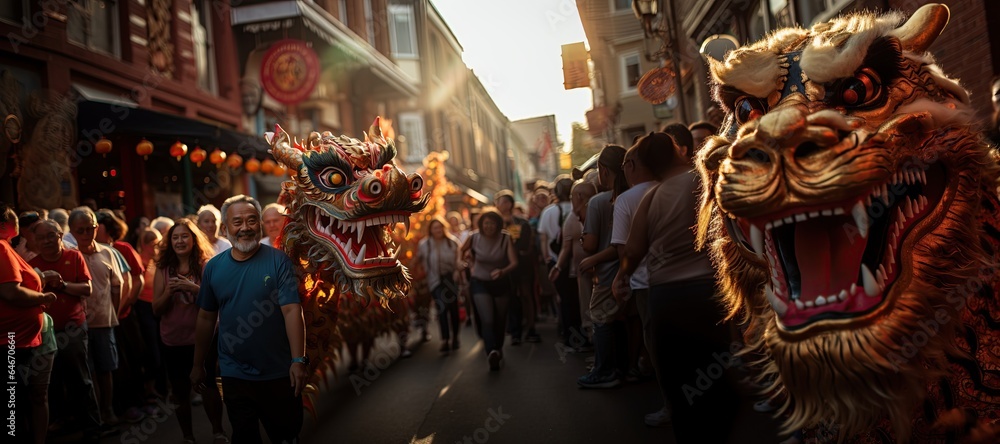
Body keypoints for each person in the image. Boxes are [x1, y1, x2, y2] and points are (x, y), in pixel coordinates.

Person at [621, 135, 740, 443]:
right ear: (676, 151)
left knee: (677, 379)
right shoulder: (704, 179)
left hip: (666, 300)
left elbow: (633, 251)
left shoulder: (652, 196)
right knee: (715, 373)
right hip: (707, 293)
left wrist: (620, 278)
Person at [191, 195, 305, 444]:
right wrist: (198, 364)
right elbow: (206, 317)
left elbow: (291, 310)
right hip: (234, 373)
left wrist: (298, 359)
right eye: (238, 222)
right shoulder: (213, 268)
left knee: (286, 435)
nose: (245, 228)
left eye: (252, 220)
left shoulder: (278, 262)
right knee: (244, 436)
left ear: (259, 224)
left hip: (278, 371)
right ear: (226, 228)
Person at [613, 132, 672, 425]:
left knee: (660, 348)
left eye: (626, 163)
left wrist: (621, 277)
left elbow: (627, 250)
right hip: (687, 281)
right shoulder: (675, 186)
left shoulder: (626, 199)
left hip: (649, 284)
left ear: (633, 165)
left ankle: (672, 406)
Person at [153, 219, 228, 443]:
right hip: (173, 339)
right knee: (179, 390)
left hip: (203, 338)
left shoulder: (207, 265)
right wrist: (169, 291)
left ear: (194, 239)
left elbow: (218, 300)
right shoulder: (163, 268)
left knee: (207, 384)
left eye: (184, 236)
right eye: (175, 237)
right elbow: (156, 309)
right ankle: (188, 437)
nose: (179, 241)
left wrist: (193, 288)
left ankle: (218, 432)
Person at [28, 219, 103, 441]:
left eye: (50, 236)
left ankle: (93, 427)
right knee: (52, 383)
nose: (45, 241)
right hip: (44, 331)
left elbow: (87, 289)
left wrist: (62, 285)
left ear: (60, 235)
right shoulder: (32, 263)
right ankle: (63, 423)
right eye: (40, 238)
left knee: (81, 379)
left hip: (73, 327)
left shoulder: (74, 256)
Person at [0, 206, 56, 444]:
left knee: (19, 399)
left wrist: (40, 279)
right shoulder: (1, 247)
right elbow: (11, 292)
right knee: (14, 403)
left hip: (19, 338)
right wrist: (43, 298)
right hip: (11, 339)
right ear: (5, 223)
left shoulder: (7, 247)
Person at [577, 145, 629, 389]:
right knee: (622, 320)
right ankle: (623, 367)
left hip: (608, 275)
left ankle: (604, 370)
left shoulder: (598, 202)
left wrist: (586, 247)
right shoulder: (632, 195)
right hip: (631, 271)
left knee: (600, 319)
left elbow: (590, 244)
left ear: (603, 171)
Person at [69, 206, 125, 427]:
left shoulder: (108, 252)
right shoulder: (70, 255)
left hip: (104, 321)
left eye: (90, 228)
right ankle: (92, 418)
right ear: (72, 231)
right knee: (86, 373)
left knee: (106, 368)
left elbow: (117, 287)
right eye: (80, 230)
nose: (86, 234)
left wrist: (113, 313)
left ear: (96, 227)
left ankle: (108, 411)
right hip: (77, 325)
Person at [460, 209, 518, 370]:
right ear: (481, 224)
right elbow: (461, 250)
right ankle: (491, 351)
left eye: (492, 223)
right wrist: (464, 264)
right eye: (486, 223)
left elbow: (514, 262)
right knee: (488, 319)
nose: (489, 226)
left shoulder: (505, 238)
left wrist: (502, 271)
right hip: (480, 281)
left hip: (501, 282)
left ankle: (498, 348)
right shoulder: (474, 237)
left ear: (498, 224)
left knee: (500, 319)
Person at [493, 190, 539, 344]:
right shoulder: (493, 223)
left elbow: (526, 244)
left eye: (502, 201)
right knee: (510, 297)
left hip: (522, 265)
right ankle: (515, 331)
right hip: (503, 265)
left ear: (509, 204)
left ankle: (531, 327)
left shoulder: (521, 222)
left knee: (526, 294)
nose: (499, 204)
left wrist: (515, 251)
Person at [539, 176, 579, 345]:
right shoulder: (579, 208)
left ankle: (568, 334)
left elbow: (543, 239)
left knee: (563, 298)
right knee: (578, 298)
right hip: (578, 260)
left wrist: (547, 258)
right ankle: (581, 334)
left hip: (555, 262)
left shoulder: (548, 212)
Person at [416, 217, 462, 353]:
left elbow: (459, 259)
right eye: (435, 228)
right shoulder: (424, 244)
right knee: (441, 308)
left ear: (444, 228)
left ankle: (455, 337)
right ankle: (445, 339)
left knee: (453, 308)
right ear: (430, 230)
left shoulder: (452, 242)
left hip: (451, 278)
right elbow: (418, 260)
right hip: (435, 280)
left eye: (440, 227)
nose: (438, 230)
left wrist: (457, 272)